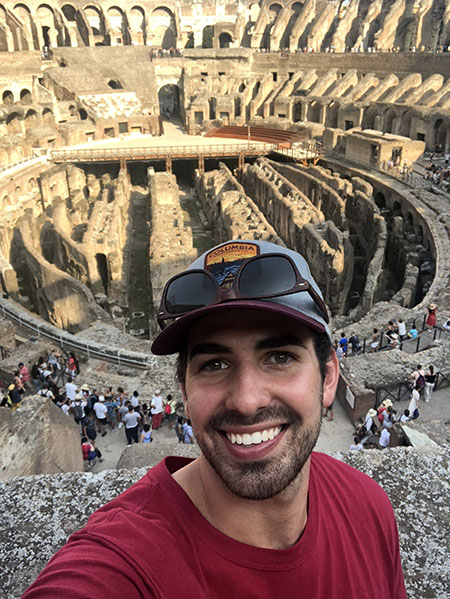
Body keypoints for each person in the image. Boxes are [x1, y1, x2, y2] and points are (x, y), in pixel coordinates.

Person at [22, 239, 406, 598]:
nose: (246, 401)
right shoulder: (123, 560)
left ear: (328, 378)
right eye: (215, 364)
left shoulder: (369, 508)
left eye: (280, 357)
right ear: (184, 391)